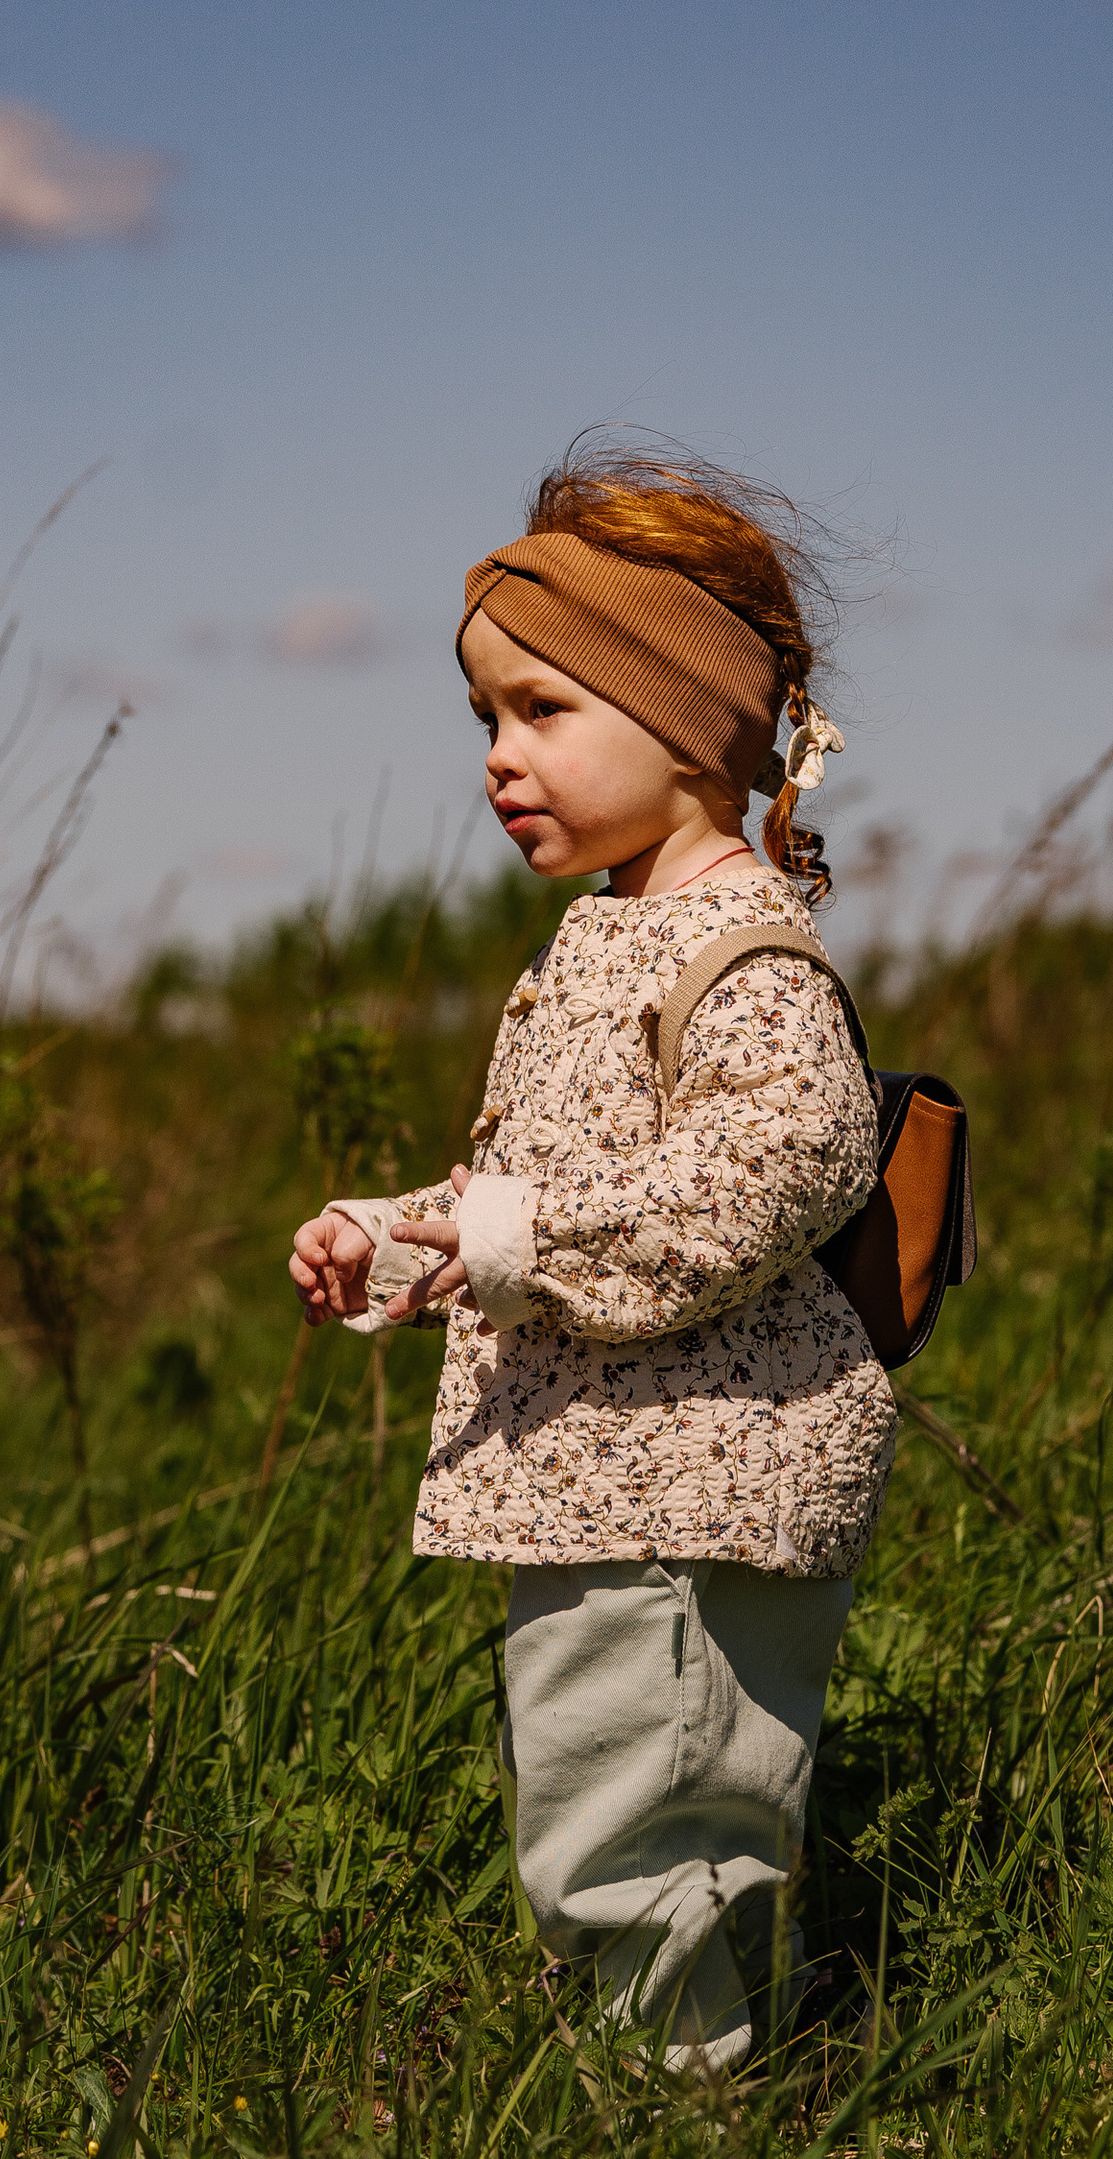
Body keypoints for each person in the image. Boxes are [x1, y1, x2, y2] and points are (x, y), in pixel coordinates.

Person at [288, 445, 894, 2075]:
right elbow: (556, 1192)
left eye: (544, 710)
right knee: (608, 1812)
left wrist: (497, 1232)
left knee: (650, 1836)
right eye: (486, 718)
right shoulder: (614, 934)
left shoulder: (745, 955)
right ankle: (674, 2087)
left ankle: (675, 2123)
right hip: (610, 1482)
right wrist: (406, 1233)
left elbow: (772, 1169)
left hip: (692, 1493)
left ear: (692, 723)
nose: (501, 755)